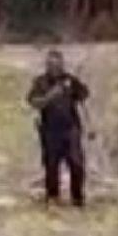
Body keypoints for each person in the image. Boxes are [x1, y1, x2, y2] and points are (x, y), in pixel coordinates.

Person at [26, 50, 91, 208]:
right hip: (50, 130)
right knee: (51, 165)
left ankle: (77, 198)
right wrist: (51, 96)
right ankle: (53, 198)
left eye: (58, 64)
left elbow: (83, 98)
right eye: (51, 64)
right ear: (47, 66)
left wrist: (90, 126)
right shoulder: (40, 82)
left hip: (71, 129)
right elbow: (34, 102)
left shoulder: (69, 80)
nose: (55, 67)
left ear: (62, 64)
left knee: (77, 163)